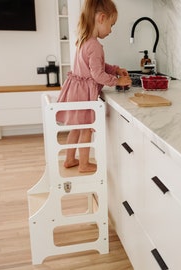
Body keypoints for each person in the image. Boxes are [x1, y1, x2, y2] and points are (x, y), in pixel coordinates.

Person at [57, 0, 131, 173]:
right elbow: (97, 74)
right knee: (86, 129)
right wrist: (117, 81)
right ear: (101, 18)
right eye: (111, 25)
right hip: (83, 94)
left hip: (75, 90)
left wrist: (115, 70)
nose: (111, 30)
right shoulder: (95, 46)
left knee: (76, 128)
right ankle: (83, 164)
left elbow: (97, 67)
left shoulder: (84, 40)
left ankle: (69, 159)